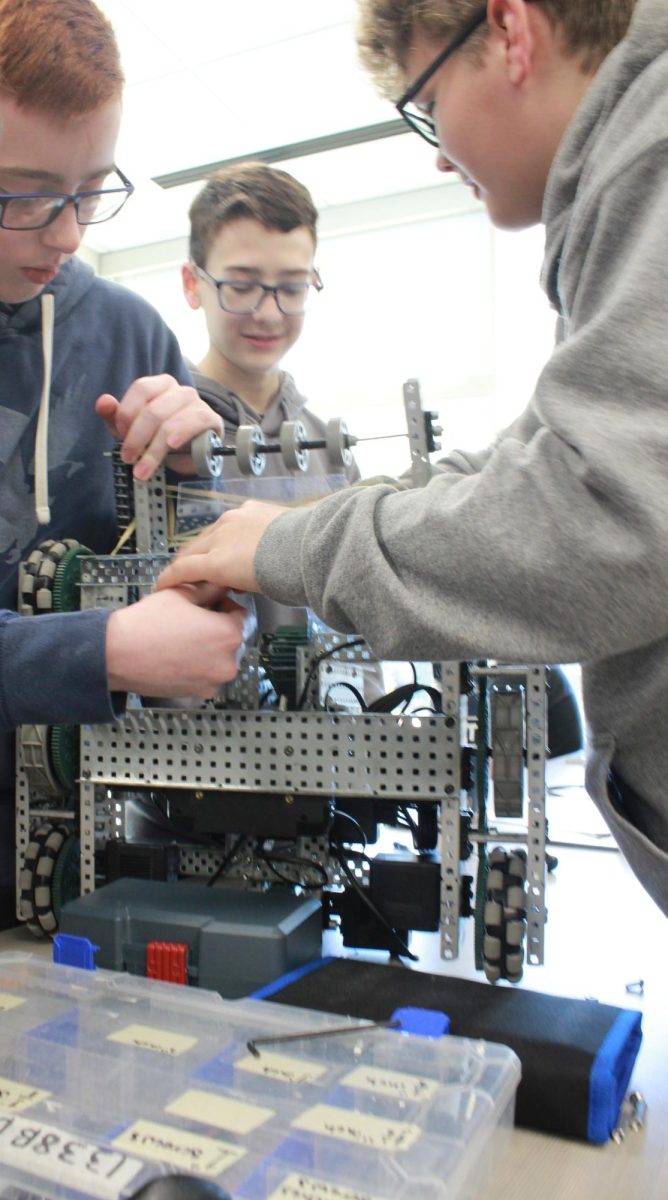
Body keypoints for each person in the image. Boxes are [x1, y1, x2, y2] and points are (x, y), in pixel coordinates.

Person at [157, 0, 668, 917]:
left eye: (427, 105)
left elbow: (603, 514)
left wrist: (297, 544)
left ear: (509, 32)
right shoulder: (623, 187)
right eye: (244, 285)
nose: (437, 152)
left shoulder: (651, 162)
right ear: (196, 284)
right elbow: (542, 462)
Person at [0, 0, 247, 924]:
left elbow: (213, 573)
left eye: (91, 190)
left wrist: (191, 479)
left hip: (93, 863)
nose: (66, 235)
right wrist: (99, 650)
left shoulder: (130, 331)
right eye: (22, 194)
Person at [181, 161, 359, 634]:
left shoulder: (330, 449)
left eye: (292, 288)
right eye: (241, 286)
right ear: (191, 284)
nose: (267, 312)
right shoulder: (170, 441)